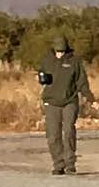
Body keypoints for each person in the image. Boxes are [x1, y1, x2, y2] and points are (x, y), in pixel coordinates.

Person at [36, 38, 92, 174]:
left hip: (70, 101)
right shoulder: (47, 60)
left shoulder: (74, 61)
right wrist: (41, 78)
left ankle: (70, 164)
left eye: (62, 51)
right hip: (51, 102)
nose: (60, 54)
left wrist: (91, 98)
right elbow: (41, 75)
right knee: (53, 135)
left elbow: (82, 82)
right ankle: (58, 164)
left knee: (68, 131)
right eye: (57, 51)